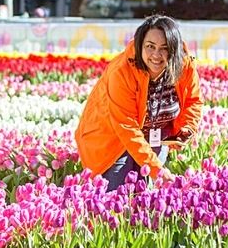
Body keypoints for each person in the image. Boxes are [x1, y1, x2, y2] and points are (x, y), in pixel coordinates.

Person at [75, 14, 202, 190]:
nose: (156, 55)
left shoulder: (184, 66)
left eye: (164, 48)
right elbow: (126, 127)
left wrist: (186, 129)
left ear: (174, 49)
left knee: (145, 195)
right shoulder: (122, 72)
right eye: (150, 46)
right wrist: (156, 169)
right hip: (114, 140)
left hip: (156, 135)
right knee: (116, 197)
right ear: (139, 45)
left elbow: (193, 101)